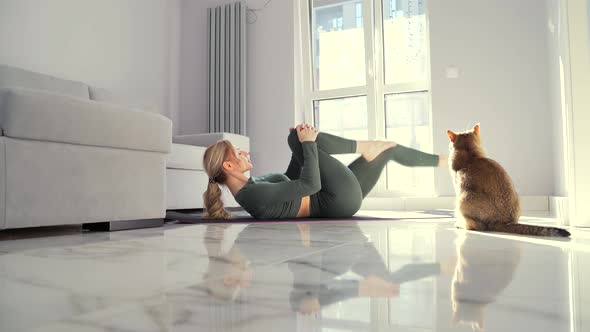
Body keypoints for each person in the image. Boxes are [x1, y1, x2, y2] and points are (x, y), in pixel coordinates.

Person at [202, 124, 447, 219]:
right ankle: (364, 146)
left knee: (387, 150)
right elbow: (309, 186)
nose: (245, 152)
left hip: (339, 195)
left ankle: (447, 161)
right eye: (238, 152)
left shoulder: (251, 186)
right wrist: (304, 144)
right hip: (333, 199)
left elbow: (291, 179)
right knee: (295, 138)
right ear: (229, 166)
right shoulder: (251, 195)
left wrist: (299, 149)